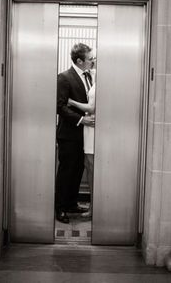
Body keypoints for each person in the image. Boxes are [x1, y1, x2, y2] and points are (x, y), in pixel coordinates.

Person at [55, 43, 95, 224]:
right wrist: (81, 120)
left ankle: (71, 203)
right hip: (69, 135)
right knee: (66, 172)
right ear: (79, 61)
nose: (92, 61)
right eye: (89, 59)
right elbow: (60, 106)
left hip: (84, 136)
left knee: (78, 170)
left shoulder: (90, 77)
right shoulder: (64, 78)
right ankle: (60, 208)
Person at [68, 79, 96, 219]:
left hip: (93, 127)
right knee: (88, 166)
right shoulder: (93, 77)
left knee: (92, 169)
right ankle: (94, 206)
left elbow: (91, 108)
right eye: (91, 59)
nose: (92, 62)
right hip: (89, 129)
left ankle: (94, 208)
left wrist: (71, 102)